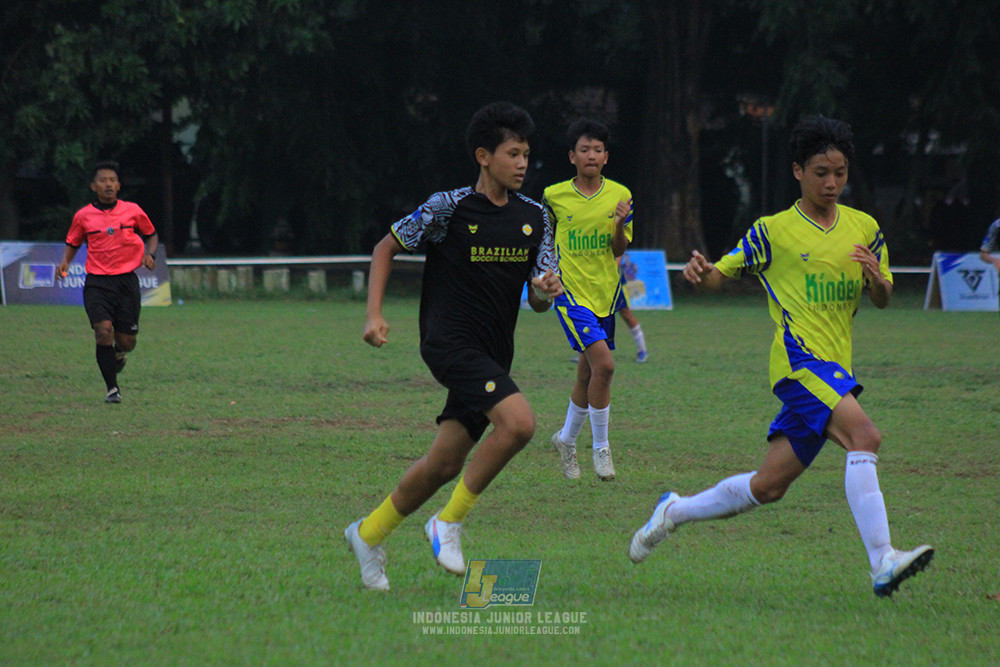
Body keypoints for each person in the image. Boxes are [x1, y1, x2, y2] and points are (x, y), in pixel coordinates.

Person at [628, 115, 934, 598]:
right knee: (865, 435)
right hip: (798, 364)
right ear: (797, 171)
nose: (831, 182)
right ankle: (883, 561)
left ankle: (674, 511)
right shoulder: (773, 231)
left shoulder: (866, 228)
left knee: (767, 488)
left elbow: (884, 297)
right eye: (820, 173)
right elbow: (718, 277)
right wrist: (700, 271)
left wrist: (878, 279)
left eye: (839, 172)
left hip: (835, 370)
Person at [344, 102, 563, 591]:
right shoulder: (449, 207)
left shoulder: (535, 217)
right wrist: (374, 313)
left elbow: (539, 296)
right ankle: (448, 523)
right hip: (448, 343)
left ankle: (368, 532)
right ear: (484, 156)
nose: (523, 163)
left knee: (443, 464)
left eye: (527, 154)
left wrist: (546, 292)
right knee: (521, 423)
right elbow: (386, 248)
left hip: (493, 354)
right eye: (513, 153)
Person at [544, 118, 633, 481]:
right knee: (606, 366)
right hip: (570, 295)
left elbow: (620, 248)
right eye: (584, 150)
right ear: (572, 156)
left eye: (597, 150)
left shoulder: (621, 195)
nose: (591, 155)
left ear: (606, 157)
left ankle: (565, 439)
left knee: (587, 372)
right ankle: (601, 449)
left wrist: (618, 226)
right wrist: (545, 275)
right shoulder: (553, 196)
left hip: (606, 294)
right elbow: (543, 242)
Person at [57, 160, 158, 404]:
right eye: (103, 180)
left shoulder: (132, 210)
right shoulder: (83, 216)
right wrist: (65, 262)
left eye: (112, 180)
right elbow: (73, 242)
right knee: (103, 332)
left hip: (126, 283)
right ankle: (112, 389)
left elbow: (151, 234)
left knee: (127, 341)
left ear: (119, 185)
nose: (108, 184)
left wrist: (150, 254)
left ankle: (120, 353)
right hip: (97, 283)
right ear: (94, 186)